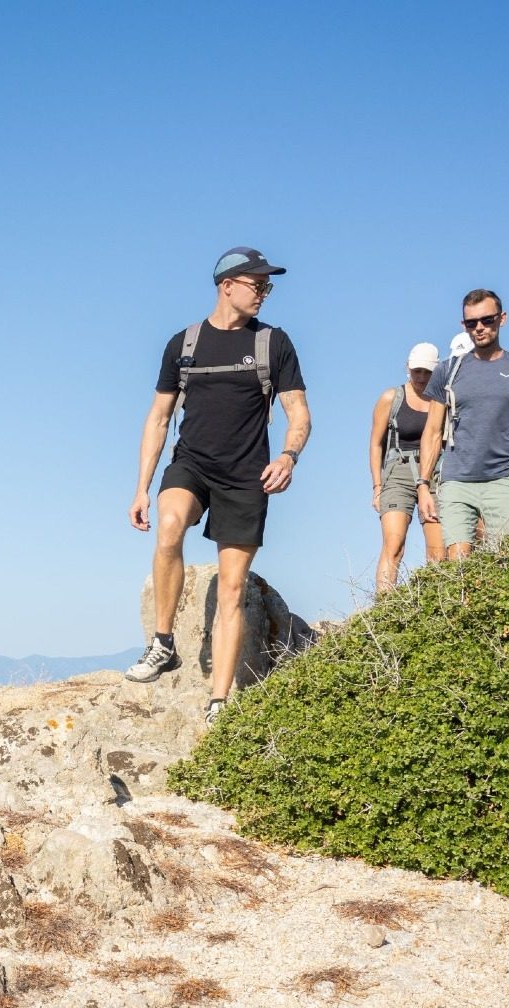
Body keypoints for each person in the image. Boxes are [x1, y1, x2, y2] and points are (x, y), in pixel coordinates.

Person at [126, 247, 311, 724]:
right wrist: (142, 487)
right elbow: (159, 417)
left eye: (268, 286)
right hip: (192, 464)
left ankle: (218, 702)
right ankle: (163, 643)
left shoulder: (274, 343)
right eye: (258, 284)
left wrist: (289, 456)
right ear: (227, 285)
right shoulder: (183, 344)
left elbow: (299, 413)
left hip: (247, 476)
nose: (265, 294)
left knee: (231, 590)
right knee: (169, 527)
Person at [416, 290, 509, 557]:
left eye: (486, 320)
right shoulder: (447, 371)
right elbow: (433, 432)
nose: (479, 328)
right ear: (464, 325)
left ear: (501, 319)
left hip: (505, 479)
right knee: (459, 566)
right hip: (456, 480)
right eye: (471, 323)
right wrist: (423, 484)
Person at [368, 342, 444, 594]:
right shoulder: (392, 397)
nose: (421, 377)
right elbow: (376, 443)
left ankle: (435, 605)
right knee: (394, 543)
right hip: (398, 470)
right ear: (408, 369)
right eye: (417, 371)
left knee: (438, 549)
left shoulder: (442, 399)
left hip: (434, 471)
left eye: (427, 372)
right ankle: (385, 609)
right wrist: (377, 486)